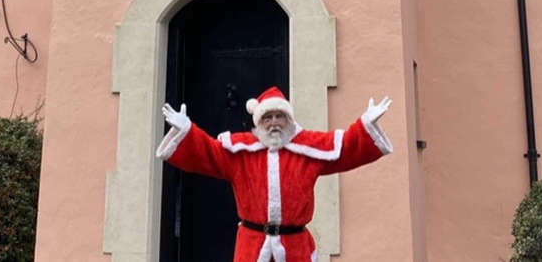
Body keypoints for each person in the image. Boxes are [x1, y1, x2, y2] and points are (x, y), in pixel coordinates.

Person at [157, 86, 392, 262]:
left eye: (280, 116)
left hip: (295, 248)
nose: (274, 123)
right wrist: (186, 130)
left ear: (289, 120)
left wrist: (366, 125)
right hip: (252, 247)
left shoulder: (307, 149)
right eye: (267, 118)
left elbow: (345, 148)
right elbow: (207, 152)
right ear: (258, 123)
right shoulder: (240, 152)